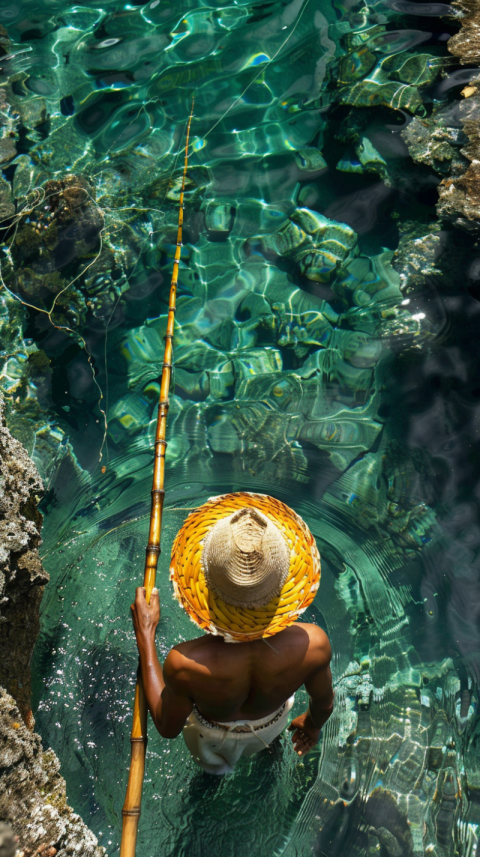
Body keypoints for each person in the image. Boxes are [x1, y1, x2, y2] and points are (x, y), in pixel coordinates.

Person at [132, 492, 334, 775]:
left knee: (210, 775)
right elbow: (324, 705)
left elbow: (167, 727)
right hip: (273, 723)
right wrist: (310, 727)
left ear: (203, 586)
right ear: (284, 581)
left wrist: (146, 636)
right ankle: (270, 755)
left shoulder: (186, 663)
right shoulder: (315, 645)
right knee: (270, 745)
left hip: (211, 739)